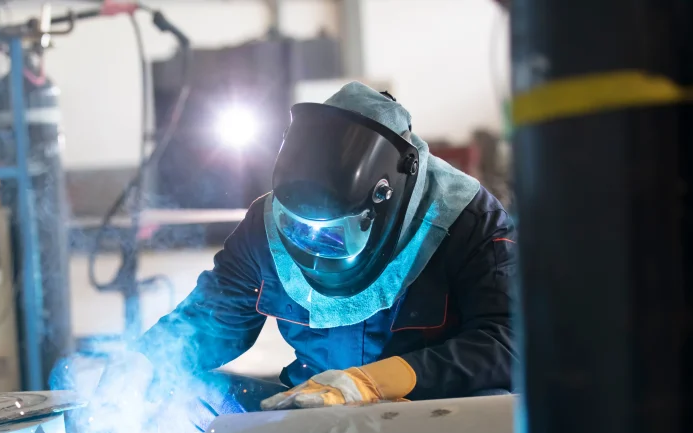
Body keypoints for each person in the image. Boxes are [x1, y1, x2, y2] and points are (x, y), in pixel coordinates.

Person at [113, 82, 517, 414]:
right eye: (297, 228)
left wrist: (374, 382)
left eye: (332, 232)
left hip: (424, 415)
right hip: (309, 410)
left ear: (384, 202)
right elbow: (213, 318)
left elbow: (508, 342)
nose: (312, 245)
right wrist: (141, 364)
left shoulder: (467, 219)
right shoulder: (265, 223)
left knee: (498, 410)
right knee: (174, 392)